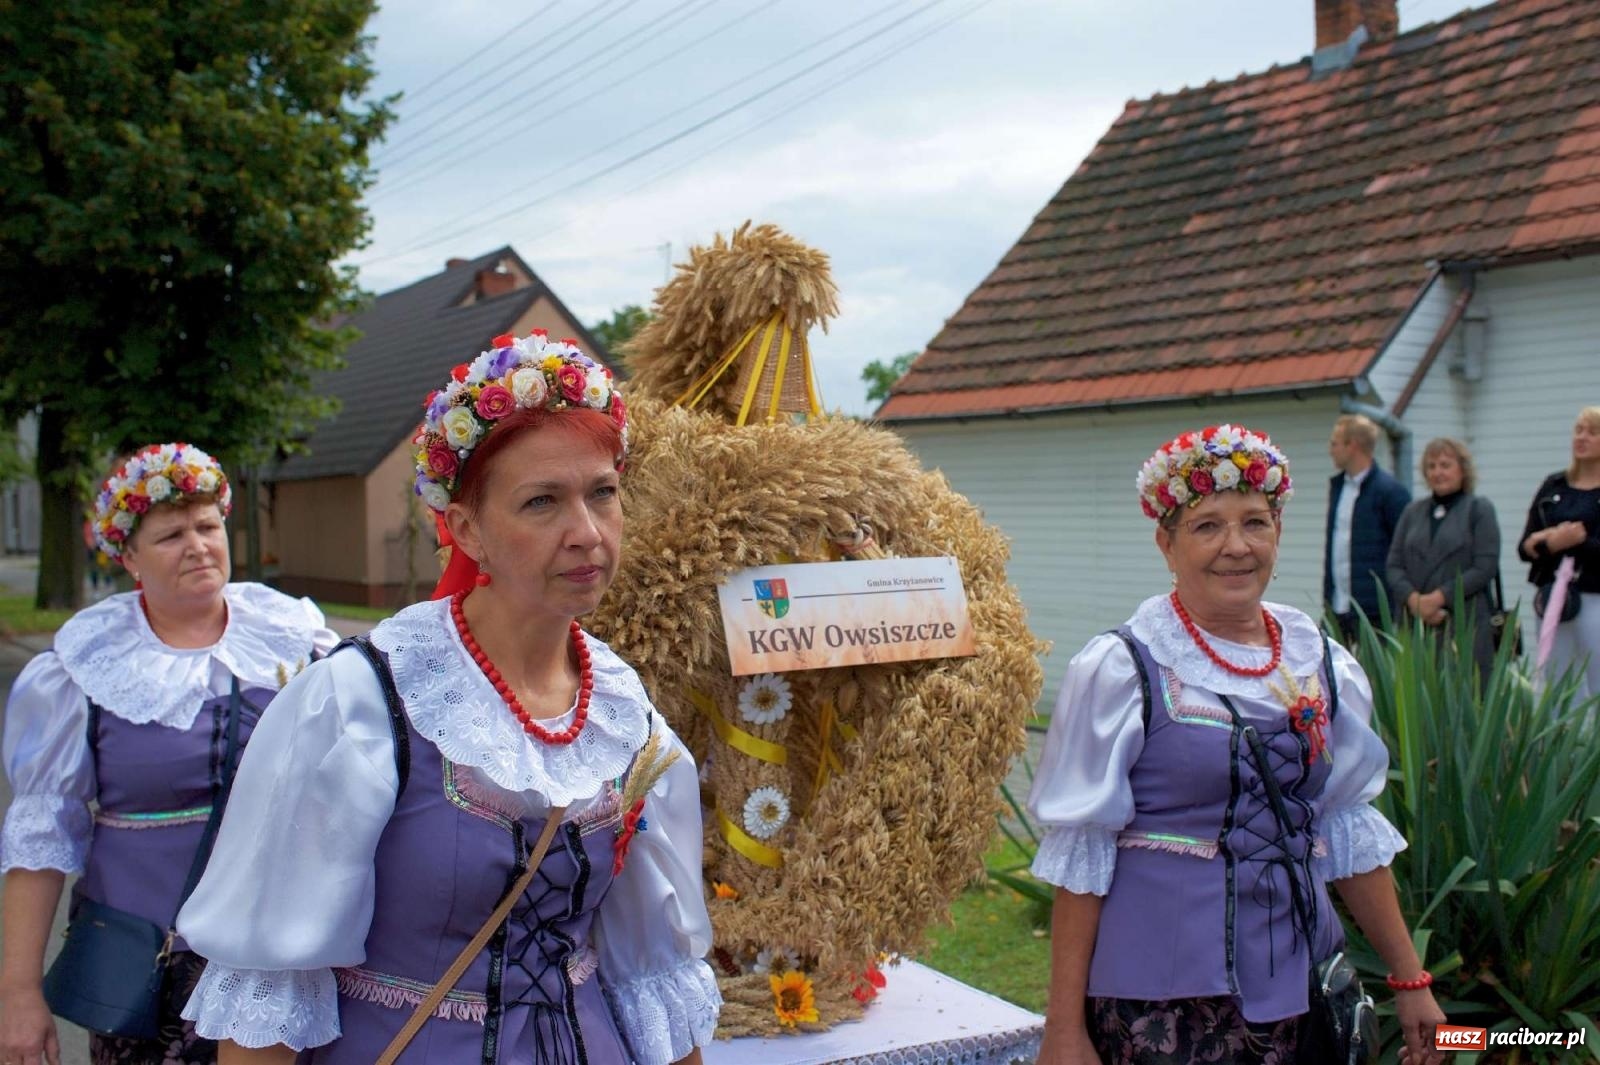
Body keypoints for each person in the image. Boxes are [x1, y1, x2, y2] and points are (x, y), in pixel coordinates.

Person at [174, 331, 719, 1064]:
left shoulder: (624, 711)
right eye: (541, 502)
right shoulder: (363, 702)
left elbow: (654, 971)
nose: (587, 533)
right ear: (468, 531)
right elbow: (264, 1000)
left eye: (603, 493)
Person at [1031, 424, 1445, 1065]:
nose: (1236, 547)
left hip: (1307, 983)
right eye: (1206, 526)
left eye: (1255, 522)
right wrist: (1063, 1031)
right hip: (1163, 1006)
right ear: (1166, 544)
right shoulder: (1122, 669)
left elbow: (1346, 827)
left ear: (1278, 533)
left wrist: (1410, 979)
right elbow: (1082, 853)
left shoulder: (1321, 660)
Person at [0, 443, 339, 1065]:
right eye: (171, 535)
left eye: (208, 526)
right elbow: (39, 837)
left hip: (277, 952)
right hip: (147, 964)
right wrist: (17, 991)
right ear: (128, 556)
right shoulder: (85, 668)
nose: (198, 545)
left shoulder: (295, 639)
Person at [1385, 438, 1501, 681]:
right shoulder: (1412, 512)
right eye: (1432, 466)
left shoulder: (1479, 509)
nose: (1438, 472)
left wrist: (1440, 598)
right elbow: (1394, 565)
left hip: (1464, 625)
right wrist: (1414, 600)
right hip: (1415, 626)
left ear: (1462, 469)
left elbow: (1485, 566)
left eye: (1445, 465)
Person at [1518, 406, 1600, 698]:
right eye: (1578, 430)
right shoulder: (1554, 484)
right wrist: (1553, 542)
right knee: (1553, 682)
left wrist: (1577, 540)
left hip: (1594, 595)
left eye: (1592, 432)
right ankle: (1556, 741)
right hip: (1553, 596)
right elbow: (1525, 546)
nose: (1582, 437)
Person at [1325, 413, 1411, 642]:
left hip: (1374, 610)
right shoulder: (1338, 487)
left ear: (1352, 445)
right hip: (1337, 606)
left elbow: (1404, 551)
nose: (1330, 450)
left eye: (1334, 443)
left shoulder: (1390, 492)